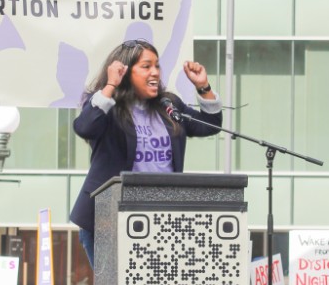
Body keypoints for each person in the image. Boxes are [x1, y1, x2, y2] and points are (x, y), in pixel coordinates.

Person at [70, 39, 222, 264]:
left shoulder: (168, 104)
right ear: (124, 71)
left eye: (157, 66)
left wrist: (203, 87)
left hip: (160, 220)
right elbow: (85, 127)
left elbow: (209, 124)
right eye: (146, 66)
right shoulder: (107, 105)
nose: (155, 73)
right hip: (109, 219)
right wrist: (111, 85)